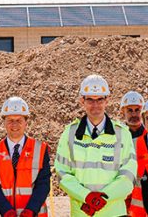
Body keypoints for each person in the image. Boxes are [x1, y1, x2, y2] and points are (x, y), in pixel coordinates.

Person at [55, 74, 136, 217]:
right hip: (82, 213)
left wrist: (103, 198)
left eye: (100, 99)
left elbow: (128, 176)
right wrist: (86, 196)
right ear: (82, 101)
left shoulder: (122, 134)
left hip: (114, 213)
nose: (95, 105)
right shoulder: (70, 133)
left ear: (107, 100)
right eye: (90, 100)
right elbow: (63, 173)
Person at [0, 97, 51, 217]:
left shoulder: (41, 149)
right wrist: (6, 211)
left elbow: (44, 184)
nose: (14, 125)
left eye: (19, 120)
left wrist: (31, 210)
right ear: (4, 121)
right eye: (10, 120)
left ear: (26, 122)